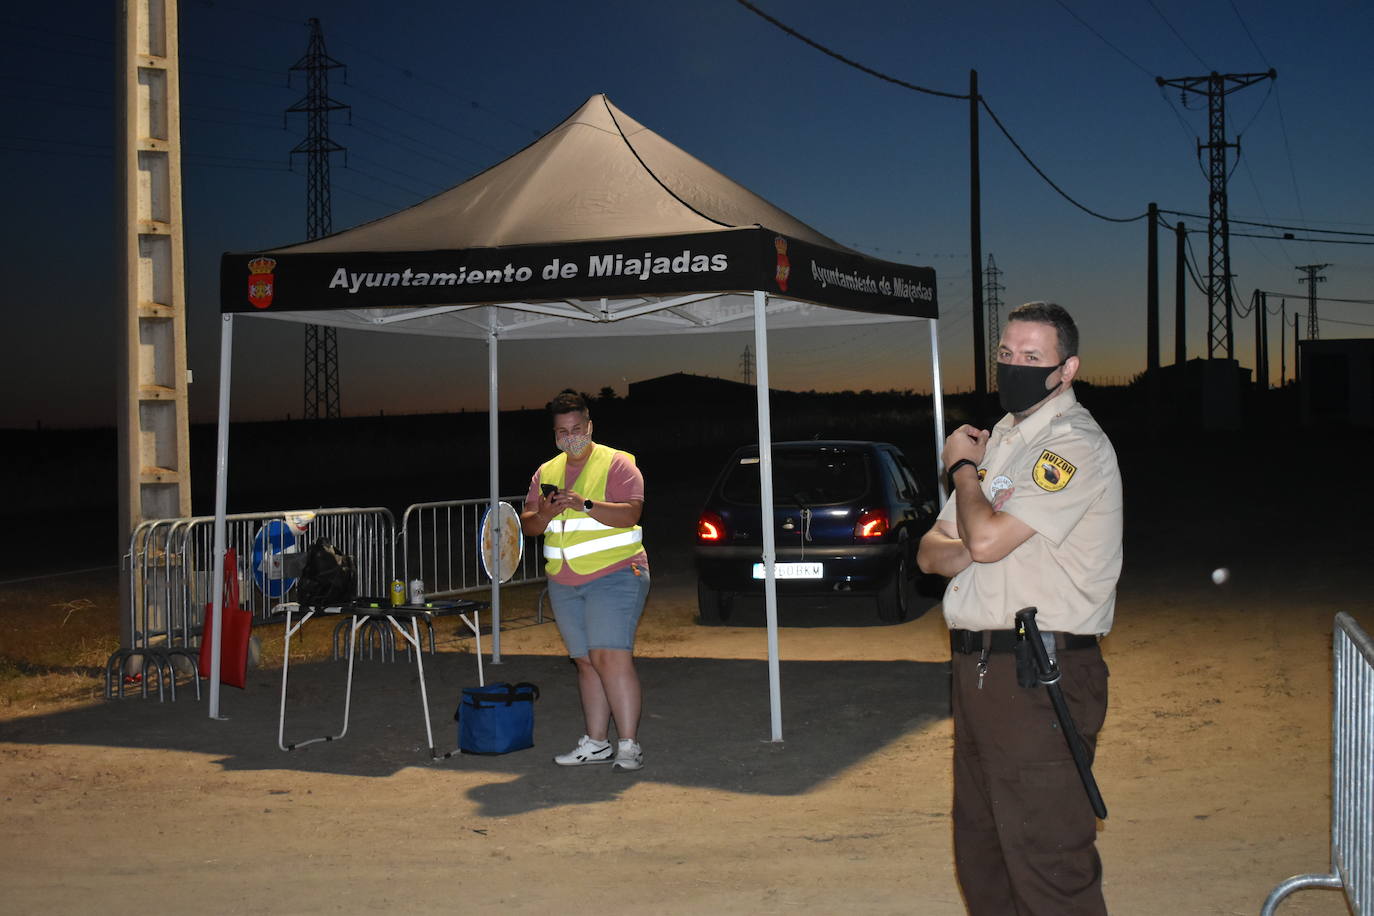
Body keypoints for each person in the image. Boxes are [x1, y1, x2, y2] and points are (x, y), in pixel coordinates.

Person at [917, 301, 1124, 915]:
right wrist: (979, 531)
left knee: (1047, 860)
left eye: (1032, 357)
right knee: (984, 855)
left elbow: (977, 539)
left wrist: (961, 470)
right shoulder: (1005, 438)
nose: (1014, 366)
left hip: (1040, 674)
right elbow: (933, 552)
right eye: (1007, 355)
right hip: (979, 672)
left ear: (1067, 369)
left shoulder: (1072, 446)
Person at [520, 389, 651, 771]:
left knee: (610, 657)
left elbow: (632, 514)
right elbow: (529, 525)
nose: (570, 436)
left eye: (577, 428)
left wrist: (586, 505)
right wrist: (543, 514)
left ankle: (628, 744)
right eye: (562, 431)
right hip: (565, 580)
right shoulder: (546, 471)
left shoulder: (618, 464)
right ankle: (596, 743)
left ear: (590, 426)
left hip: (617, 573)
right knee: (585, 661)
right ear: (554, 434)